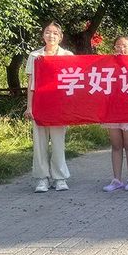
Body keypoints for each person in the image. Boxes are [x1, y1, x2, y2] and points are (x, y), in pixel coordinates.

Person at [24, 21, 74, 193]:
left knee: (58, 142)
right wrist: (29, 107)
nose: (51, 35)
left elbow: (74, 82)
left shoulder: (67, 55)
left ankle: (59, 178)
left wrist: (70, 107)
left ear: (60, 37)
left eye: (55, 33)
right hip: (40, 105)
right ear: (43, 35)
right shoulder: (35, 55)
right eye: (47, 32)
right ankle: (42, 178)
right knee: (40, 144)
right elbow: (31, 83)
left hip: (59, 106)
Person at [102, 36, 128, 192]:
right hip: (112, 110)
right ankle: (116, 179)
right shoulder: (108, 64)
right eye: (118, 46)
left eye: (124, 46)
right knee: (116, 145)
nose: (121, 49)